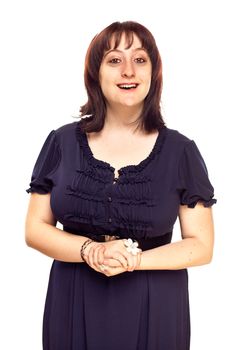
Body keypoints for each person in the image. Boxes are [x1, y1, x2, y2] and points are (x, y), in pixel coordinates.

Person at [25, 21, 216, 350]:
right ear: (95, 72)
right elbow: (35, 229)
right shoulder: (61, 142)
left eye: (140, 59)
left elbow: (201, 246)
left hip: (157, 303)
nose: (128, 70)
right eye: (114, 60)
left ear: (153, 72)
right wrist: (92, 251)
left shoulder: (181, 151)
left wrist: (133, 260)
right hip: (73, 297)